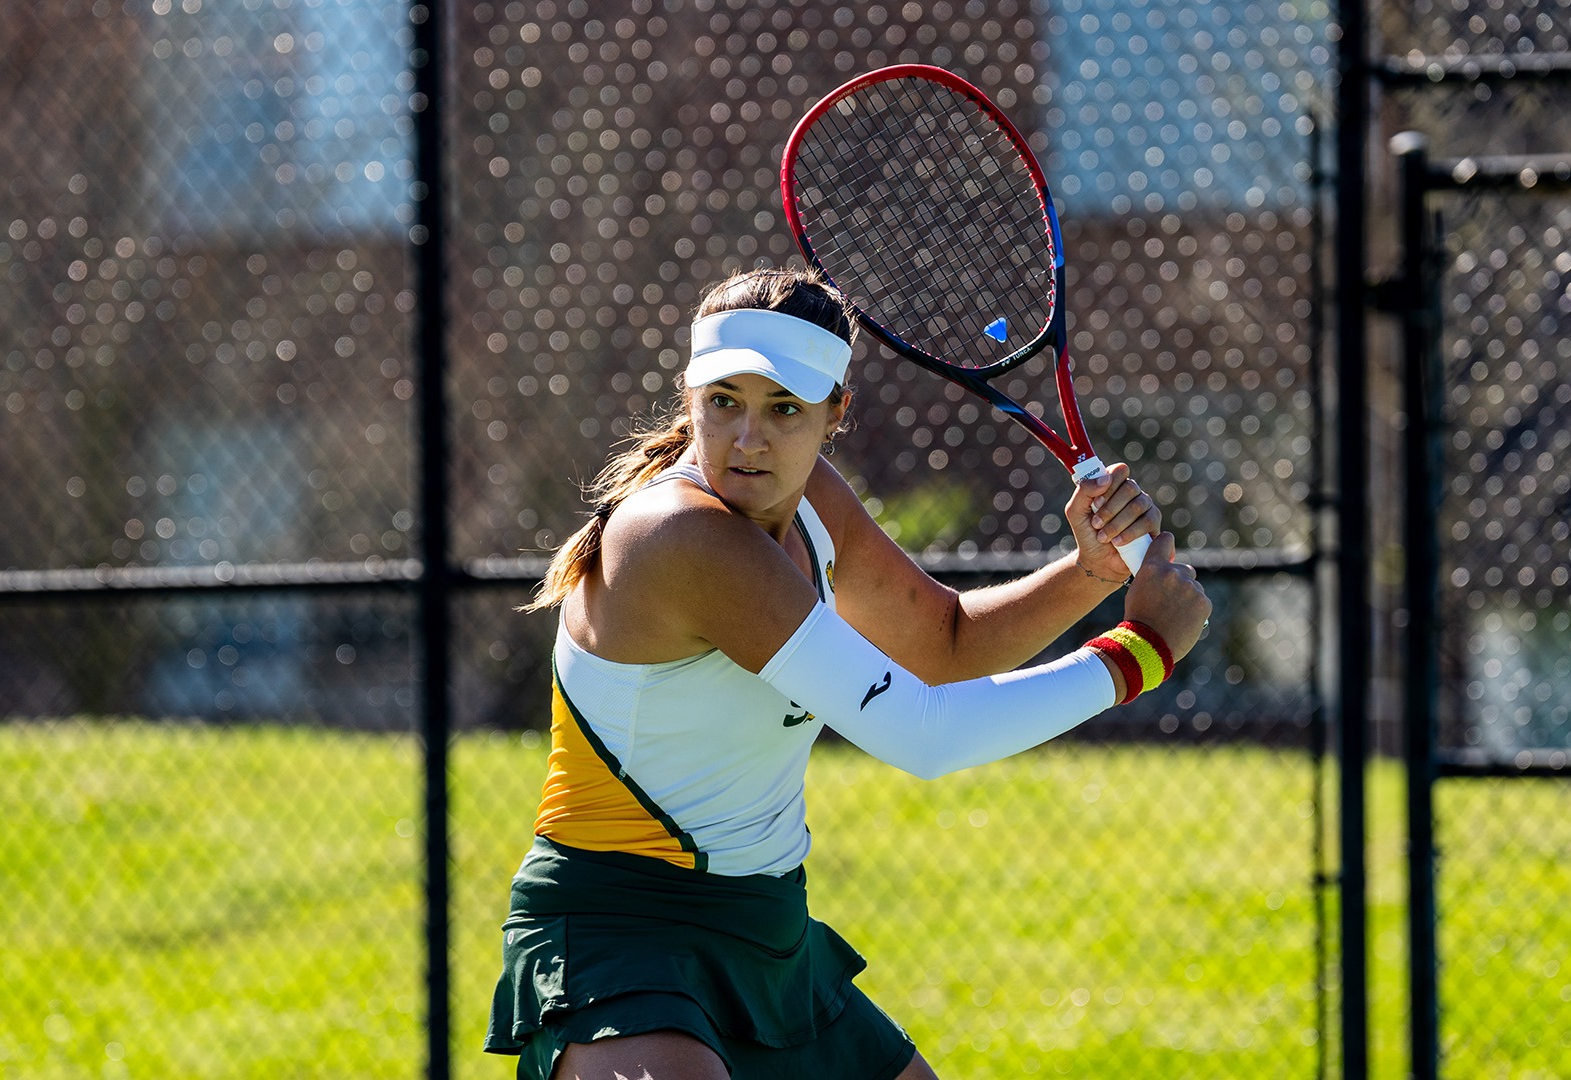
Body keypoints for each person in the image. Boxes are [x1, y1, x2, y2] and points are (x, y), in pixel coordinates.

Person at [486, 266, 1212, 1080]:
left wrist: (1090, 573)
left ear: (836, 414)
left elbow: (942, 639)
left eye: (784, 409)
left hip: (768, 927)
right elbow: (924, 733)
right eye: (723, 402)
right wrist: (1139, 652)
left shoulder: (810, 500)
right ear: (688, 396)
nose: (747, 439)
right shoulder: (677, 535)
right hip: (617, 927)